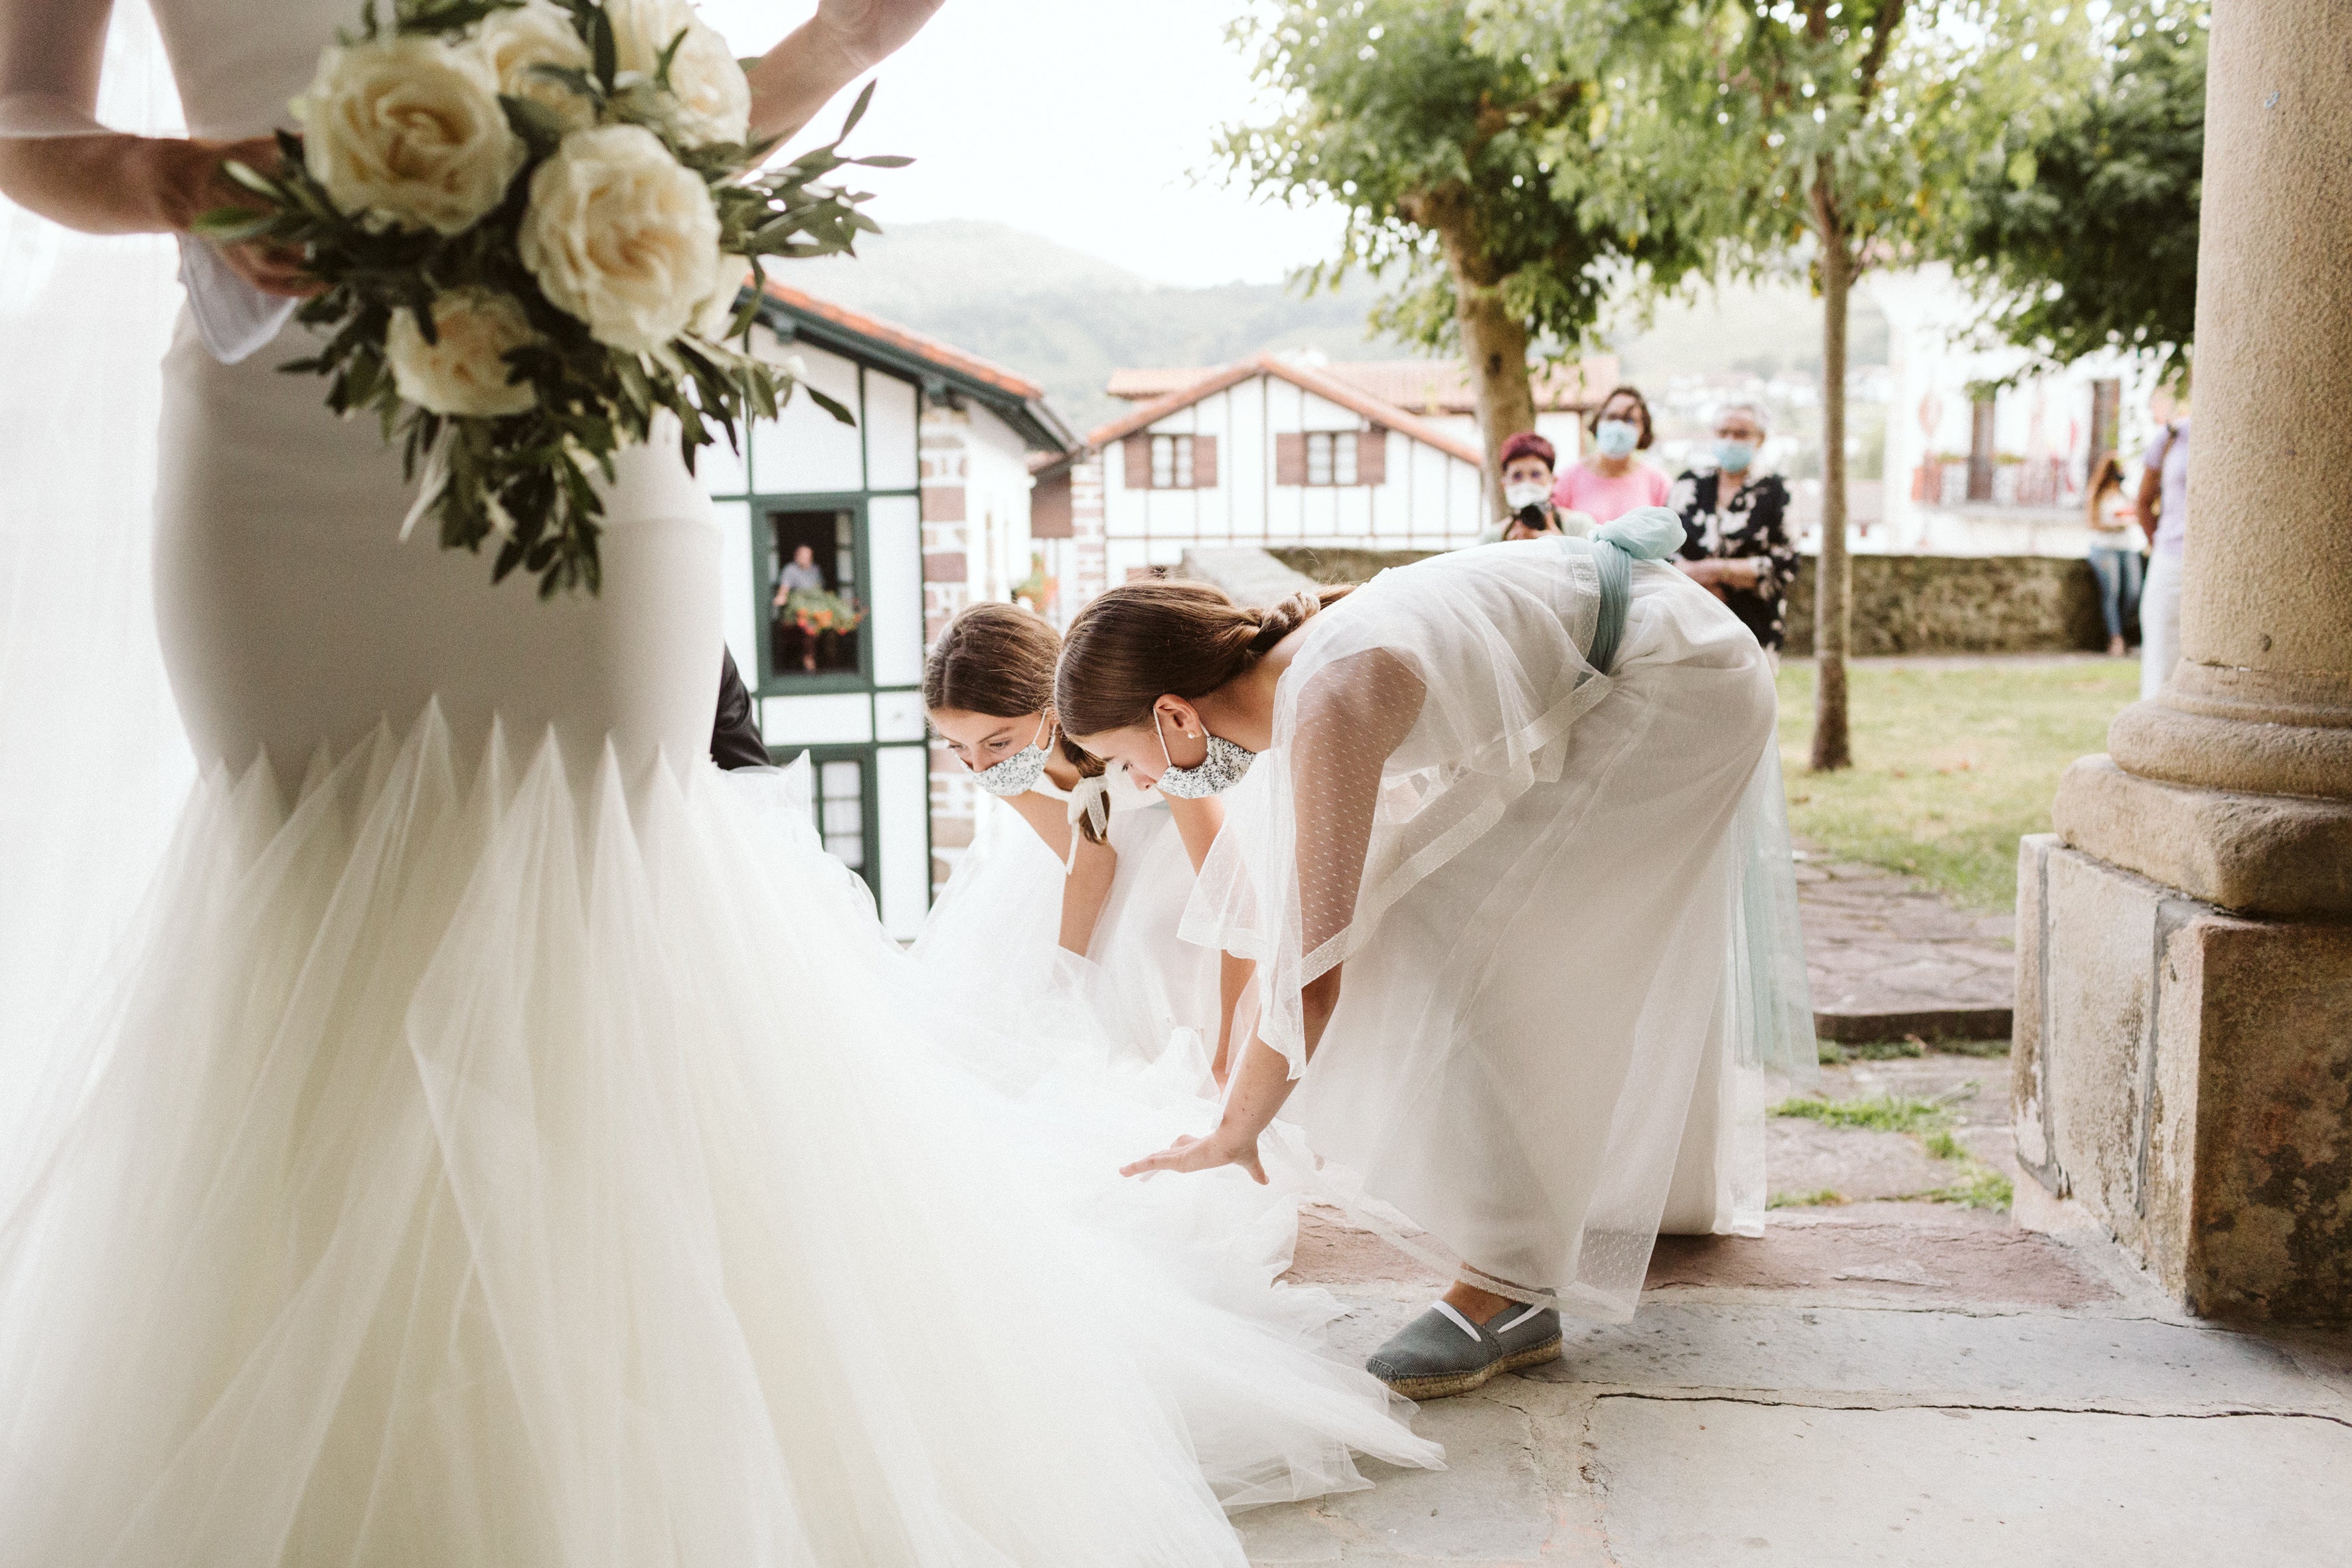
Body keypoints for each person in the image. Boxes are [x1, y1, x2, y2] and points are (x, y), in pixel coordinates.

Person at [0, 0, 1441, 1559]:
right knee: (303, 867)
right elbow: (23, 111)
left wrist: (839, 47)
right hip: (279, 424)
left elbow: (686, 127)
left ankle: (643, 1458)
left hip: (589, 428)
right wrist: (167, 180)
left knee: (601, 874)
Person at [1054, 507, 1816, 1403]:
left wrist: (1235, 1129)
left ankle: (1508, 1287)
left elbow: (1312, 973)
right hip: (1643, 647)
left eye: (1129, 759)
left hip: (1679, 678)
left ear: (1174, 714)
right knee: (1434, 923)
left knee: (1444, 944)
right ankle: (1609, 1198)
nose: (1144, 784)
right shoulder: (1303, 673)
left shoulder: (1327, 698)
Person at [918, 602, 1249, 1083]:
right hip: (1123, 857)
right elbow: (1090, 857)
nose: (981, 769)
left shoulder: (1132, 735)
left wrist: (1230, 1048)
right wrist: (1068, 978)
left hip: (1200, 837)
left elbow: (1228, 891)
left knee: (1152, 937)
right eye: (958, 749)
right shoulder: (1004, 773)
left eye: (997, 743)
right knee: (1072, 997)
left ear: (1051, 711)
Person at [1670, 402, 1798, 657]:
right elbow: (1664, 553)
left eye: (1741, 434)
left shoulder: (1775, 491)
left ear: (1759, 440)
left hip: (1752, 630)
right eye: (1723, 433)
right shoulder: (1689, 483)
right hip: (1688, 626)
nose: (1730, 440)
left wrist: (1712, 571)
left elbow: (1784, 564)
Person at [2136, 395, 2191, 699]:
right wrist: (2161, 544)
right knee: (2160, 661)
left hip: (2222, 565)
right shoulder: (2174, 435)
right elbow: (2143, 502)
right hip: (2171, 559)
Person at [1554, 384, 1672, 523]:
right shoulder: (1567, 479)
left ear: (1644, 431)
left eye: (1629, 420)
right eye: (1612, 417)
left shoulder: (1658, 483)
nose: (1618, 426)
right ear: (1598, 422)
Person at [2085, 452, 2144, 659]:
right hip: (2105, 548)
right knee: (2112, 592)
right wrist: (2115, 524)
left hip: (2126, 547)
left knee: (2134, 592)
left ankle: (2126, 633)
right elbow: (2094, 523)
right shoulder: (2098, 496)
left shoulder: (2124, 495)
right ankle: (2116, 638)